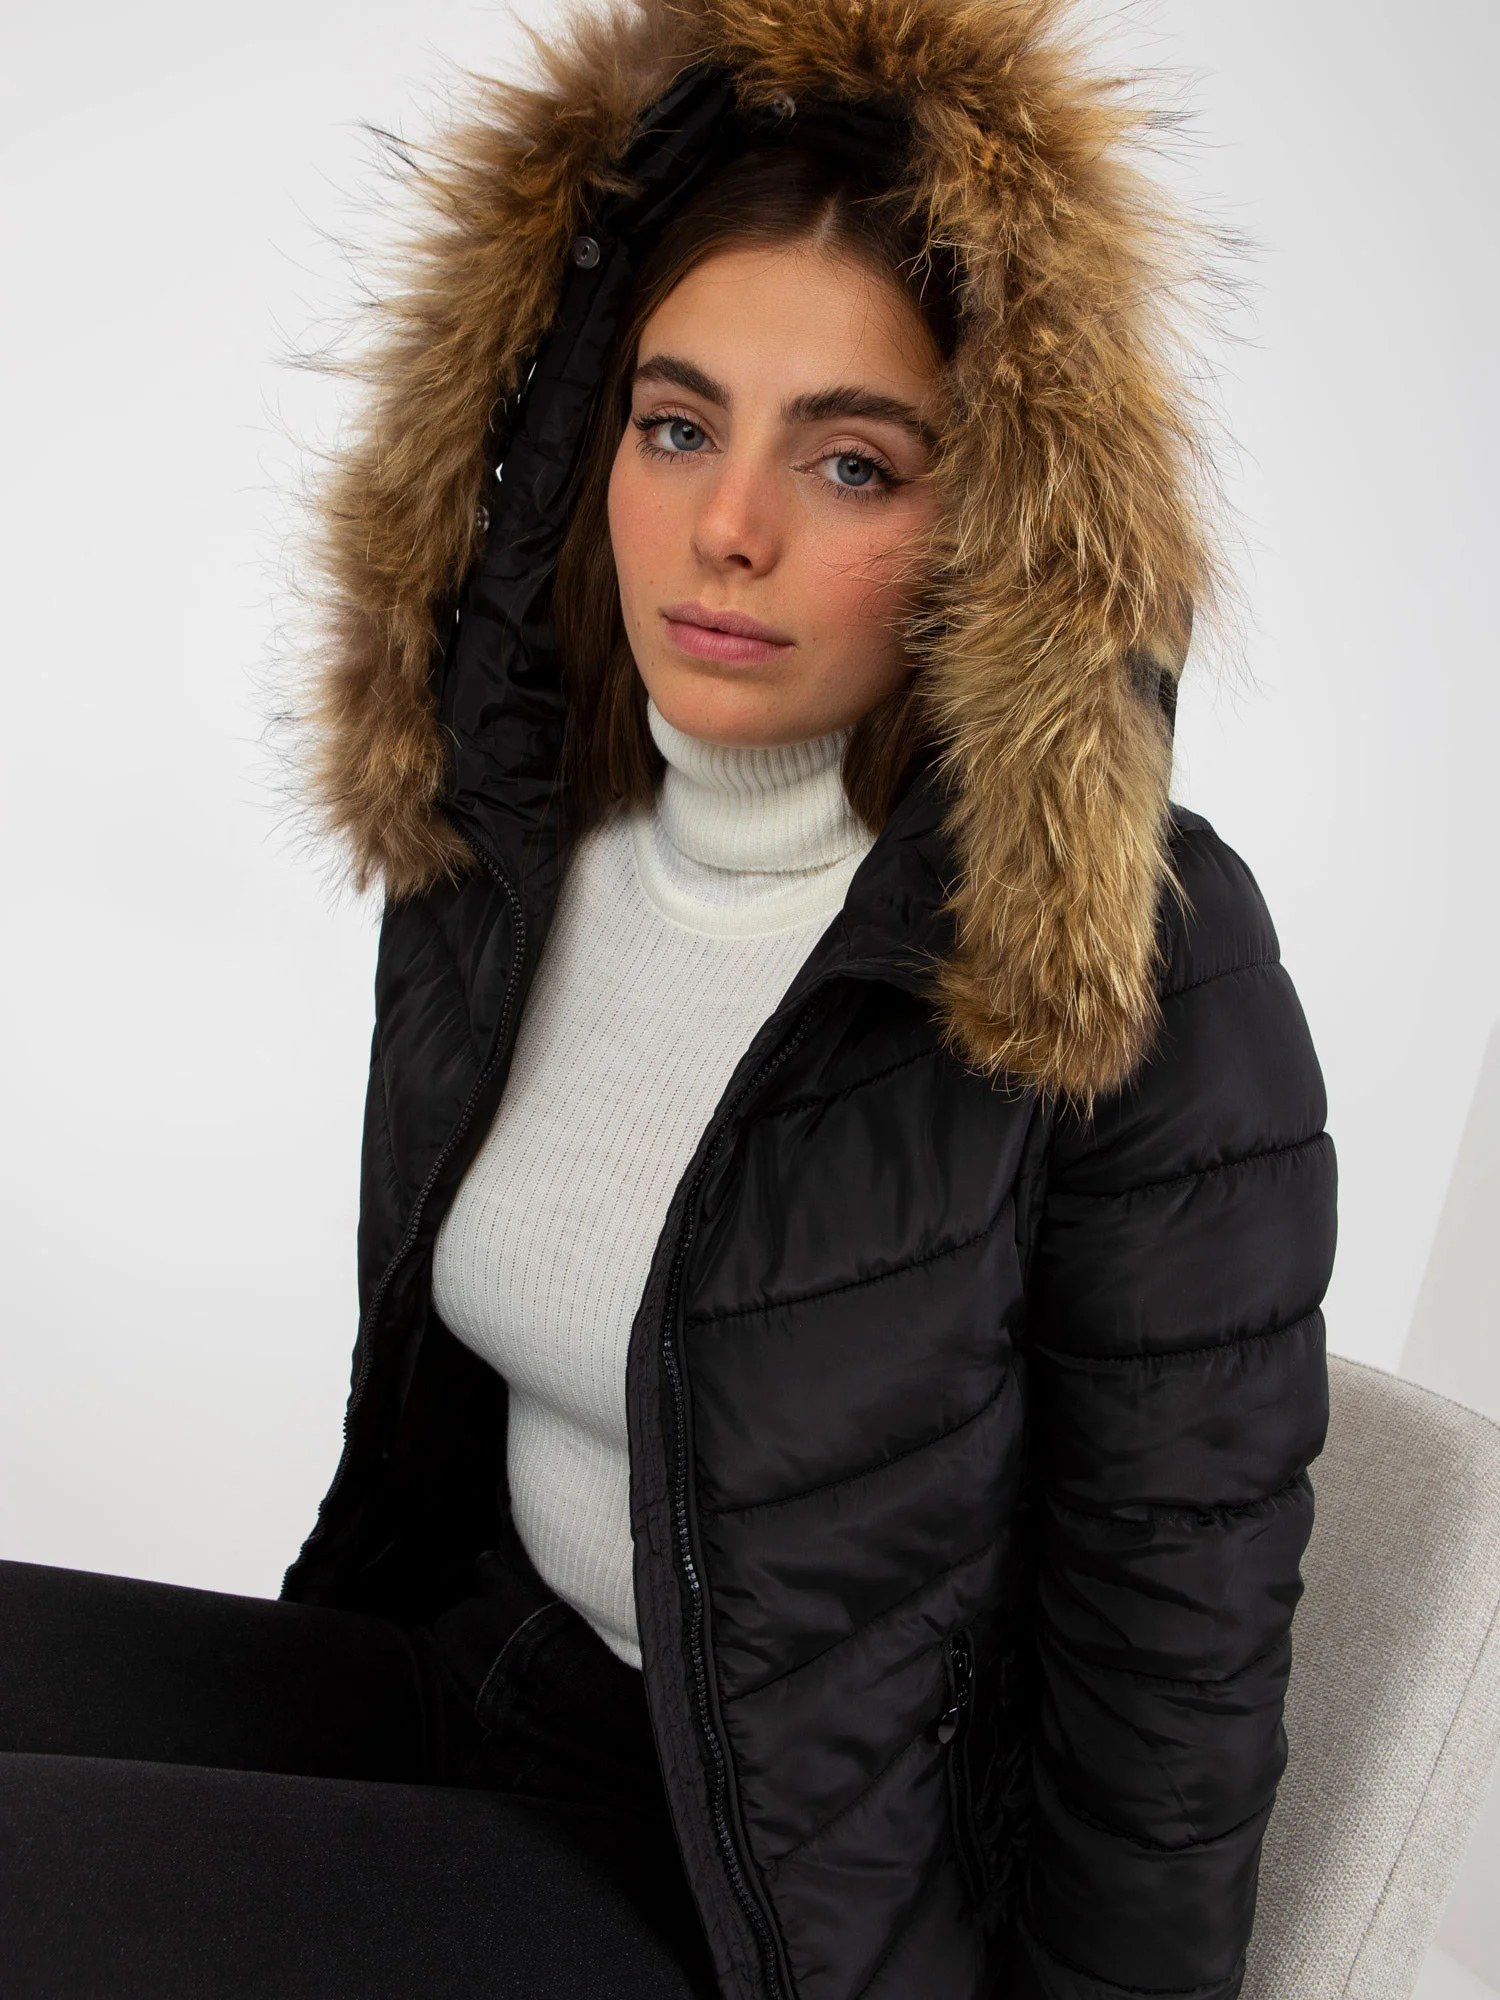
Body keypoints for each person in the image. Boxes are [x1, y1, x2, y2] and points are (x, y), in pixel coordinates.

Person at [0, 0, 1338, 1996]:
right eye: (679, 424)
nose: (731, 528)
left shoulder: (1127, 950)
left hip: (769, 1901)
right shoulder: (531, 841)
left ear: (998, 526)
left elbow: (1175, 1691)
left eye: (855, 461)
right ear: (586, 444)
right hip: (475, 1673)